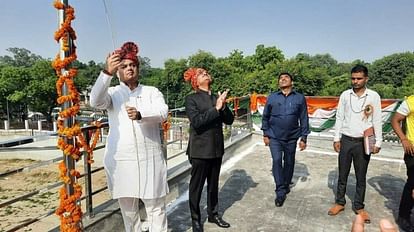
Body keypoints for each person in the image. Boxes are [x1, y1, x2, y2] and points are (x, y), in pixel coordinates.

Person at [90, 41, 168, 232]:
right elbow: (95, 101)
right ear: (117, 72)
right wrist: (106, 72)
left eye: (132, 65)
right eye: (123, 66)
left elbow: (163, 112)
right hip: (123, 160)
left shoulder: (151, 91)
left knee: (156, 208)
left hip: (150, 158)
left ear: (138, 69)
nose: (129, 69)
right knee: (129, 211)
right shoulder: (112, 93)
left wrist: (141, 114)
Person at [328, 64, 382, 224]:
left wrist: (378, 141)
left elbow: (377, 119)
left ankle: (359, 207)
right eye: (353, 78)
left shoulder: (373, 96)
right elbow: (339, 117)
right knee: (342, 174)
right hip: (346, 140)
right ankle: (339, 202)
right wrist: (336, 138)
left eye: (359, 78)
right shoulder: (345, 95)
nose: (356, 81)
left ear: (366, 78)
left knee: (361, 176)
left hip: (363, 143)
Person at [184, 67, 234, 232]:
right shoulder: (191, 99)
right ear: (195, 82)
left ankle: (213, 215)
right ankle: (196, 220)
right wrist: (216, 108)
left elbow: (229, 121)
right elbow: (197, 122)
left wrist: (224, 106)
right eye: (200, 73)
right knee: (196, 187)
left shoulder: (216, 97)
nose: (205, 73)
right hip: (199, 150)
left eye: (206, 72)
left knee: (213, 185)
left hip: (216, 149)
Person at [261, 72, 310, 207]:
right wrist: (265, 134)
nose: (283, 79)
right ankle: (280, 192)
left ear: (292, 82)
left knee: (289, 162)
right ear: (278, 83)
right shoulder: (272, 97)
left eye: (286, 78)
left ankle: (286, 183)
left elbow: (304, 118)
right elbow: (265, 116)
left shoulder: (299, 98)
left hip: (292, 137)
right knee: (277, 160)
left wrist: (304, 138)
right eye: (281, 78)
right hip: (274, 136)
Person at [391, 95, 414, 232]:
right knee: (412, 184)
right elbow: (395, 120)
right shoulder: (411, 101)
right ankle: (404, 216)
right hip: (412, 150)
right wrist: (404, 139)